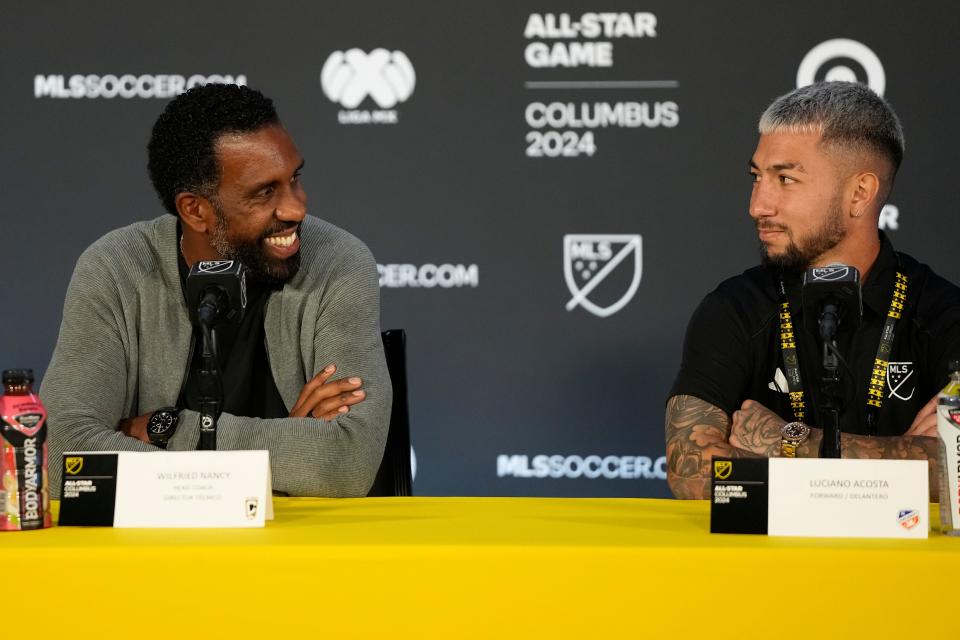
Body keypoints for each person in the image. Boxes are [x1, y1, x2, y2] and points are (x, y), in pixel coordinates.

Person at [41, 84, 391, 497]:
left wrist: (167, 427)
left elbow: (347, 462)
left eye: (294, 178)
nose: (296, 208)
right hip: (157, 550)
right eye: (265, 192)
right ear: (195, 210)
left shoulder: (336, 260)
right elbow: (62, 455)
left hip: (301, 543)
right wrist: (287, 445)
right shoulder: (117, 267)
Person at [665, 81, 960, 499]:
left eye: (785, 179)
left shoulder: (944, 316)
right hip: (767, 564)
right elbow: (692, 473)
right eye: (756, 177)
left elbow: (959, 475)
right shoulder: (733, 309)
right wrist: (911, 461)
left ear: (860, 193)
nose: (758, 206)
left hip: (905, 564)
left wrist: (788, 441)